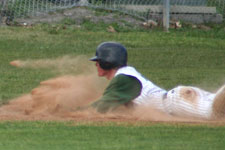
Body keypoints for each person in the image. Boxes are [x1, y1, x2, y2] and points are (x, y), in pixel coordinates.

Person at [89, 41, 225, 120]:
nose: (96, 64)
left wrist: (71, 111)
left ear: (108, 62)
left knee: (214, 114)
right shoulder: (127, 75)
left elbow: (101, 106)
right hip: (179, 98)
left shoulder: (124, 79)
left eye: (98, 61)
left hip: (177, 102)